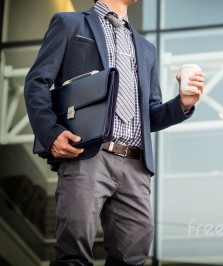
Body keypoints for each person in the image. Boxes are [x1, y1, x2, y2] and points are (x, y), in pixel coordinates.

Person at [24, 0, 205, 265]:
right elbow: (36, 82)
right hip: (87, 155)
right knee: (73, 254)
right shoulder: (70, 24)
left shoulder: (146, 48)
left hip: (135, 166)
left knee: (132, 257)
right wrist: (51, 133)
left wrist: (183, 104)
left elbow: (150, 115)